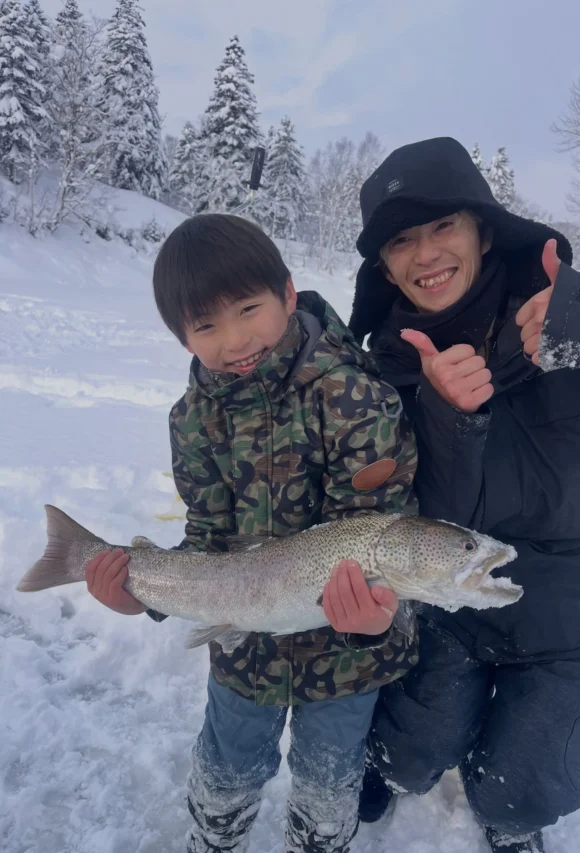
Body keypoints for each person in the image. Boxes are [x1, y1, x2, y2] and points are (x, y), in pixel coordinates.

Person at [82, 213, 418, 853]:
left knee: (329, 775)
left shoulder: (354, 396)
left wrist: (378, 616)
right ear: (184, 339)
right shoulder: (192, 420)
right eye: (206, 325)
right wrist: (141, 595)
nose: (234, 339)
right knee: (227, 763)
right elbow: (207, 537)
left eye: (247, 308)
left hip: (348, 655)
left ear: (288, 295)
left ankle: (320, 841)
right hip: (244, 648)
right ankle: (213, 835)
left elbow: (381, 535)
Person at [348, 137, 580, 853]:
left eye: (443, 225)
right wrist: (450, 419)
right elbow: (428, 519)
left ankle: (509, 820)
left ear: (483, 227)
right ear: (383, 265)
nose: (425, 254)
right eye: (401, 241)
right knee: (409, 749)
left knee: (524, 787)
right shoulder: (386, 368)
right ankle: (399, 756)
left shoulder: (562, 312)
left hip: (569, 606)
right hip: (457, 598)